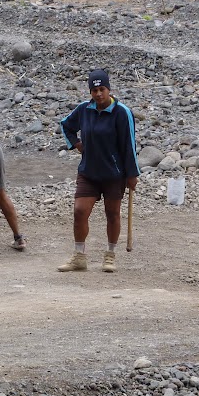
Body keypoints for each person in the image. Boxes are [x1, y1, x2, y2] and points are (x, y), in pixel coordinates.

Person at [58, 69, 140, 273]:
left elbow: (129, 144)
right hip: (88, 172)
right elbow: (65, 125)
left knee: (112, 213)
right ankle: (79, 257)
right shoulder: (84, 109)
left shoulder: (122, 113)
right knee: (79, 212)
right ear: (90, 92)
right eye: (94, 90)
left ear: (109, 89)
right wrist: (76, 144)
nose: (98, 94)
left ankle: (110, 256)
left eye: (102, 89)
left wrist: (132, 174)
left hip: (114, 174)